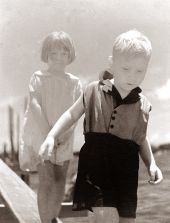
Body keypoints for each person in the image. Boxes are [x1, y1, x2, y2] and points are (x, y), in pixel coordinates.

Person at [39, 30, 163, 223]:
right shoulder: (93, 90)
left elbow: (140, 138)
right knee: (105, 217)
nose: (133, 76)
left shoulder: (142, 104)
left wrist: (152, 164)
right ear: (112, 63)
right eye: (126, 69)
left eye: (140, 71)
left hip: (126, 173)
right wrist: (51, 136)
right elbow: (71, 114)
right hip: (98, 167)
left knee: (126, 220)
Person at [19, 31, 82, 223]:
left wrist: (62, 135)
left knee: (60, 178)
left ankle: (53, 217)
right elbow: (35, 105)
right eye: (53, 54)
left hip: (64, 136)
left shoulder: (74, 83)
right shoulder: (38, 77)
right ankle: (45, 220)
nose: (58, 58)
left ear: (70, 55)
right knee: (47, 179)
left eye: (63, 53)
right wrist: (48, 135)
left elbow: (76, 112)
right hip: (41, 132)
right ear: (46, 54)